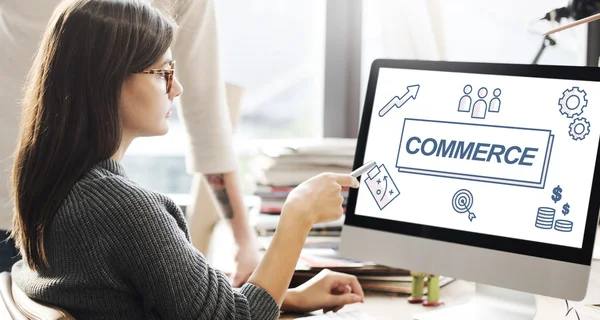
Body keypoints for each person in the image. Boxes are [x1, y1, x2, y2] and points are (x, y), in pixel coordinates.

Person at [9, 0, 365, 319]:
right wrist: (298, 214)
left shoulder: (54, 186)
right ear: (109, 80)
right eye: (162, 73)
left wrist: (287, 297)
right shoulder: (123, 210)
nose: (176, 88)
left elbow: (171, 299)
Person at [0, 0, 261, 285]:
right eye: (162, 73)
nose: (175, 88)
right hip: (31, 212)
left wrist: (242, 240)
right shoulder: (132, 214)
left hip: (39, 204)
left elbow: (206, 116)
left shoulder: (122, 207)